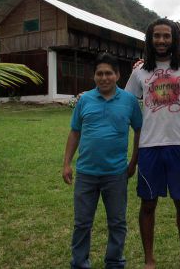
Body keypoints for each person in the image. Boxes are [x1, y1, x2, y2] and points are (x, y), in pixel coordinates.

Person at [125, 18, 180, 269]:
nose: (161, 41)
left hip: (179, 145)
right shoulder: (139, 72)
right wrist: (92, 95)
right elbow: (124, 103)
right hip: (148, 147)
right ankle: (149, 260)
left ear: (174, 40)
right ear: (150, 40)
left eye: (166, 36)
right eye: (156, 36)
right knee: (148, 204)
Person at [62, 52, 142, 269]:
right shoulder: (85, 99)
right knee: (82, 223)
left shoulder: (129, 101)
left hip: (116, 173)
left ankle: (115, 263)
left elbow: (139, 130)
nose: (104, 77)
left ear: (117, 75)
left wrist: (133, 162)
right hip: (86, 173)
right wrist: (67, 163)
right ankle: (79, 263)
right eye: (99, 73)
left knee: (117, 223)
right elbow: (75, 132)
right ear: (94, 76)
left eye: (108, 73)